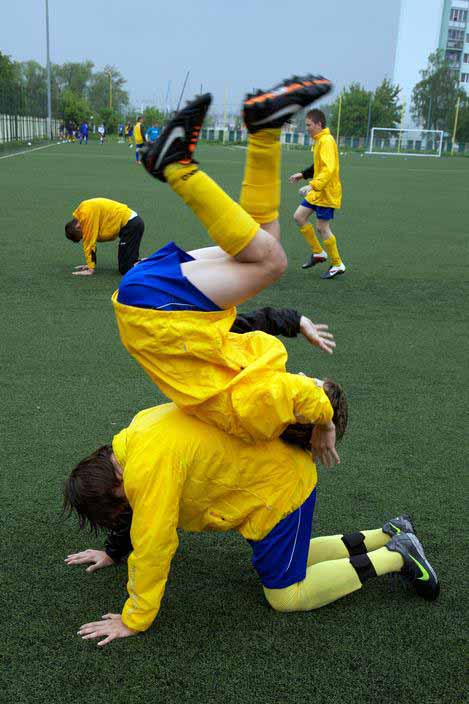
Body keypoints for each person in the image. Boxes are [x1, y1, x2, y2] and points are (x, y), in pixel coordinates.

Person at [63, 399, 439, 647]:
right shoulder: (137, 433)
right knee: (293, 560)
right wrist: (113, 552)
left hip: (277, 492)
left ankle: (397, 556)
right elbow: (137, 517)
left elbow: (154, 547)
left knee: (286, 595)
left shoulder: (147, 472)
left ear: (115, 486)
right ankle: (387, 533)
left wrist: (134, 620)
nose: (124, 516)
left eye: (116, 512)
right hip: (267, 476)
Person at [113, 77, 342, 455]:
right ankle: (264, 131)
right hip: (154, 304)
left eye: (313, 387)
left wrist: (326, 419)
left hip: (159, 315)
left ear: (299, 422)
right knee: (263, 243)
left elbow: (287, 393)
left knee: (272, 261)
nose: (304, 379)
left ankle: (176, 166)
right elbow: (243, 325)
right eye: (315, 379)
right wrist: (294, 320)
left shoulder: (258, 419)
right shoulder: (258, 376)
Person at [289, 109, 346, 278]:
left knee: (322, 227)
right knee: (299, 217)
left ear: (319, 124)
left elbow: (329, 169)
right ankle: (318, 253)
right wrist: (303, 175)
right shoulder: (319, 140)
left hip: (326, 191)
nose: (307, 128)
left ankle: (337, 264)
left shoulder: (326, 141)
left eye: (309, 125)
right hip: (318, 191)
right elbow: (319, 166)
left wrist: (313, 185)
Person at [65, 198, 145, 276]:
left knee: (125, 268)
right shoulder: (83, 212)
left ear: (78, 227)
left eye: (81, 235)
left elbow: (89, 243)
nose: (84, 236)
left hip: (131, 225)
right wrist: (89, 264)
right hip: (129, 225)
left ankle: (151, 263)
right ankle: (147, 262)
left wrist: (90, 269)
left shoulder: (86, 215)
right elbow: (90, 242)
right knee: (126, 264)